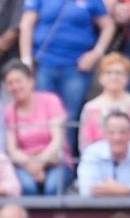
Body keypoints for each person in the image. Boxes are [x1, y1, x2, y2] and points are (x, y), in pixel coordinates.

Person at [17, 0, 113, 132]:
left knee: (70, 116)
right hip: (45, 64)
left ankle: (66, 152)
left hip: (77, 66)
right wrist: (26, 59)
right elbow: (26, 25)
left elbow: (108, 26)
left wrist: (97, 53)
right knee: (43, 114)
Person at [1, 60, 71, 196]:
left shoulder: (51, 100)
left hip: (56, 162)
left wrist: (40, 164)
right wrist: (31, 166)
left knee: (52, 187)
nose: (15, 86)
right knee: (28, 187)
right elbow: (12, 150)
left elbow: (58, 141)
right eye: (10, 83)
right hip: (25, 165)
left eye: (18, 81)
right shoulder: (8, 111)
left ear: (31, 81)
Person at [77, 53, 130, 153]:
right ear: (100, 77)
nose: (114, 77)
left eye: (119, 73)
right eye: (108, 73)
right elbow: (85, 143)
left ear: (128, 77)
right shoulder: (90, 108)